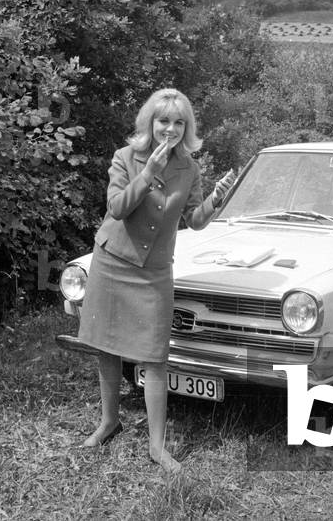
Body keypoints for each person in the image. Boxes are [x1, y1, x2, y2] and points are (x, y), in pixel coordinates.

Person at [77, 88, 235, 474]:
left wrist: (215, 200)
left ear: (186, 127)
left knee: (155, 355)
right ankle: (109, 422)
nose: (171, 128)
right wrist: (147, 173)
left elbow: (194, 220)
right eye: (164, 120)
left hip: (155, 271)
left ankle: (157, 446)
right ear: (150, 122)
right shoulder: (125, 157)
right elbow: (117, 208)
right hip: (113, 261)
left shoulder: (189, 168)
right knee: (107, 347)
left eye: (179, 122)